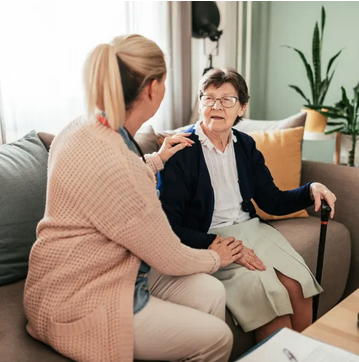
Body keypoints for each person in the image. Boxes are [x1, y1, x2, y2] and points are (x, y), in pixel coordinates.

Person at [23, 36, 245, 362]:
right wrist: (217, 258)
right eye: (165, 82)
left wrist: (155, 161)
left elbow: (104, 193)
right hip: (84, 297)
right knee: (219, 339)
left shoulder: (81, 127)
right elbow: (168, 255)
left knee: (211, 291)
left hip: (80, 272)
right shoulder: (117, 160)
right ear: (153, 89)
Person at [157, 67, 337, 343]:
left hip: (252, 229)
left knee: (297, 285)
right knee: (270, 299)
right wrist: (212, 243)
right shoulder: (180, 150)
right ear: (200, 103)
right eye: (209, 98)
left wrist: (310, 189)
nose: (216, 106)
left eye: (227, 100)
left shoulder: (245, 145)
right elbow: (169, 225)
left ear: (241, 107)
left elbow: (271, 200)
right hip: (212, 239)